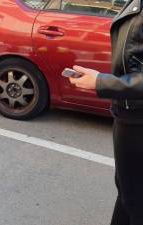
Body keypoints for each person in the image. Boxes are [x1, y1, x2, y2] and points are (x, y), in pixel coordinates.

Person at [68, 0, 143, 223]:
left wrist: (102, 82)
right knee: (127, 192)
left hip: (138, 123)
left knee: (135, 202)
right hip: (127, 116)